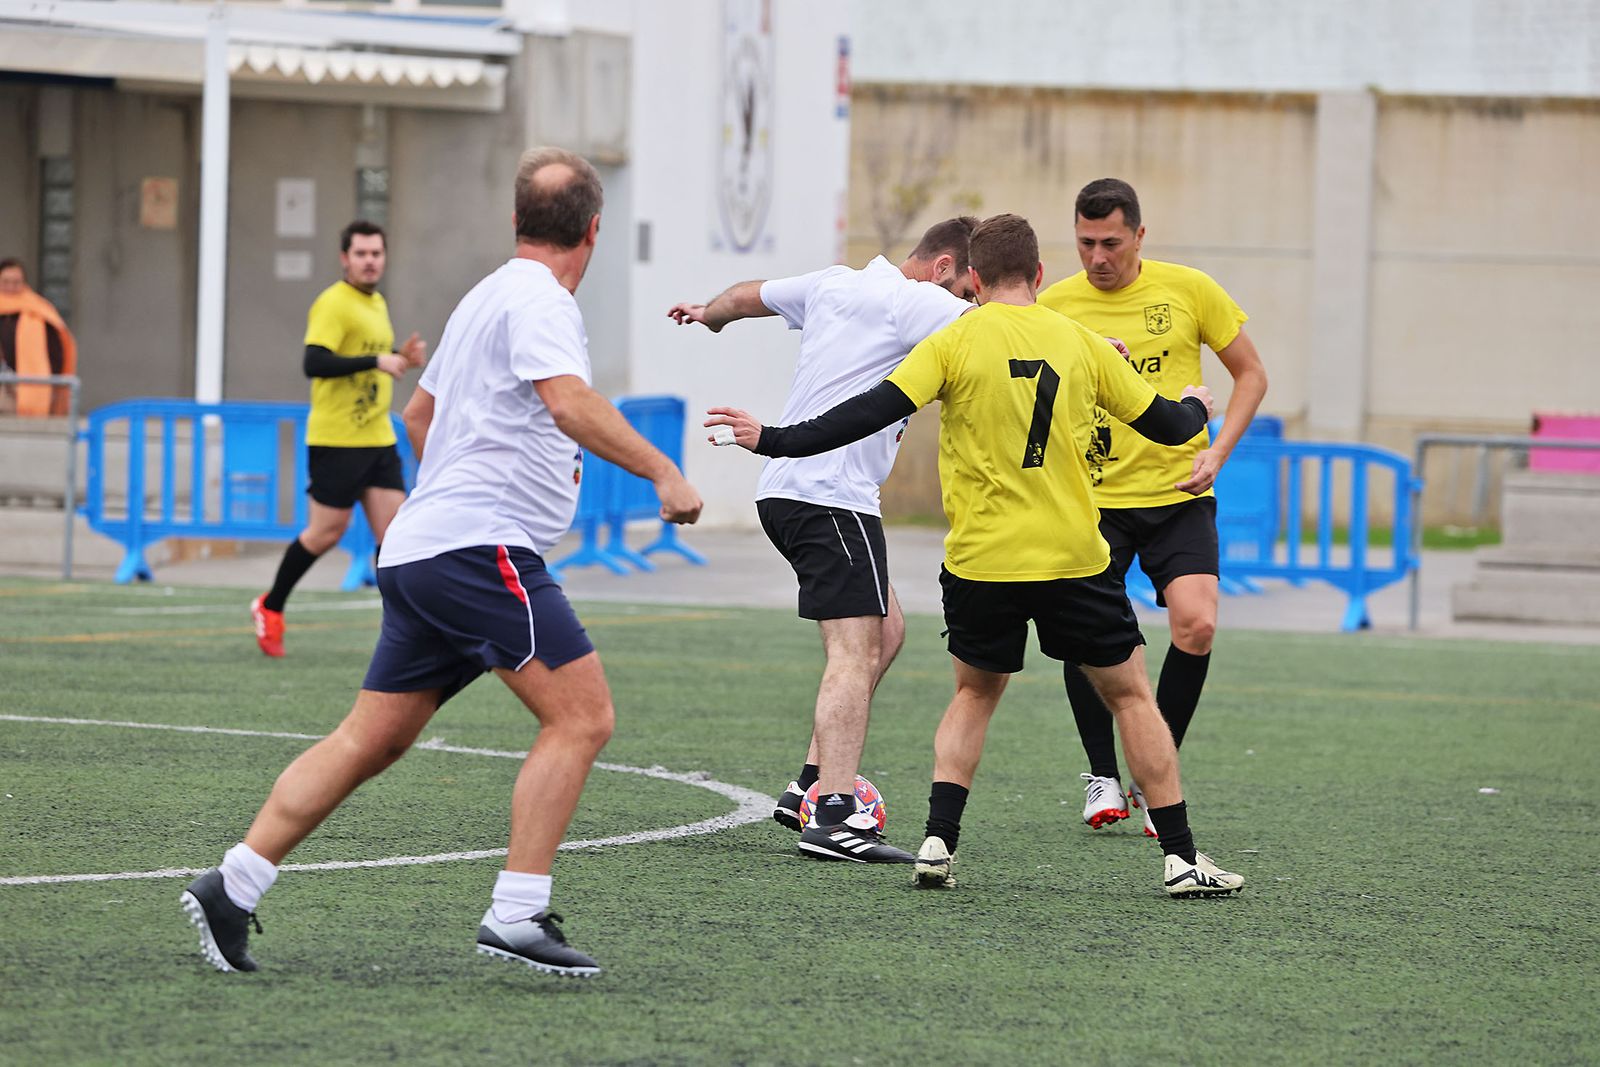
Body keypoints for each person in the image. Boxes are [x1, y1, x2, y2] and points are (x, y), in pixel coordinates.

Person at [182, 146, 704, 978]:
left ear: (514, 220)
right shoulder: (542, 301)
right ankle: (517, 912)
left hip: (427, 545)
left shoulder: (485, 295)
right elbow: (568, 402)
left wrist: (461, 495)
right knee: (582, 716)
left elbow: (419, 417)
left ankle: (233, 883)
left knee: (371, 738)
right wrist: (663, 471)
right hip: (473, 547)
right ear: (596, 230)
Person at [707, 214, 1244, 898]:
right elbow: (1165, 426)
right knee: (1133, 695)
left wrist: (773, 439)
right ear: (1042, 275)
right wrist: (1196, 408)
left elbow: (864, 411)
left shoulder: (956, 336)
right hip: (1073, 558)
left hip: (981, 561)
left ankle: (939, 842)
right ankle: (1181, 858)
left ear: (978, 280)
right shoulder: (1079, 341)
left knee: (972, 694)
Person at [667, 218, 976, 864]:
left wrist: (711, 314)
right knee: (853, 649)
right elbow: (1013, 329)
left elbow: (751, 293)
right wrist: (1091, 346)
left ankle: (807, 785)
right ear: (945, 268)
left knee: (885, 632)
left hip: (790, 490)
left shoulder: (838, 283)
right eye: (969, 292)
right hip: (829, 494)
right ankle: (835, 812)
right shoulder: (919, 302)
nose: (969, 307)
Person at [1037, 179, 1268, 836]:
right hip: (1094, 501)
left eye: (1111, 242)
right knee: (1087, 638)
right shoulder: (1055, 305)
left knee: (1197, 625)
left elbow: (1251, 374)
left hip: (1178, 494)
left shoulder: (1189, 289)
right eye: (1085, 243)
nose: (1097, 256)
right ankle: (1102, 773)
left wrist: (1217, 452)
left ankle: (1152, 767)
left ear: (1139, 235)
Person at [249, 221, 428, 657]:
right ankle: (270, 606)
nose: (370, 261)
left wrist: (401, 359)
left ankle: (405, 634)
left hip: (377, 437)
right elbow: (315, 362)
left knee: (396, 537)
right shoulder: (333, 303)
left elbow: (373, 362)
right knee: (326, 532)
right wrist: (377, 360)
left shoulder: (378, 303)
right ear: (344, 258)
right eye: (362, 254)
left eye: (376, 254)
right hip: (336, 440)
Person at [0, 258, 77, 417]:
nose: (10, 287)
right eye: (5, 281)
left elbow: (56, 349)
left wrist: (50, 383)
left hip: (27, 387)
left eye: (16, 282)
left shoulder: (38, 310)